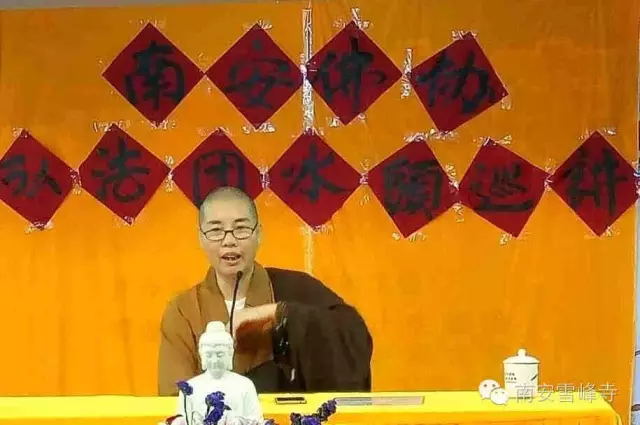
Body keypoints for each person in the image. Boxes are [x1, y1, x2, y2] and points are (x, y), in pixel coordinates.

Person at [158, 186, 372, 395]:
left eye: (241, 229)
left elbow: (353, 338)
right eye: (215, 231)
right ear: (201, 238)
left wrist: (277, 313)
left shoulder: (297, 288)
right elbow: (175, 398)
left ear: (258, 234)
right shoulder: (183, 310)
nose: (229, 241)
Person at [175, 321, 262, 424]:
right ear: (201, 356)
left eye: (220, 355)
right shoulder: (190, 388)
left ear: (230, 354)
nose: (214, 361)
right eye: (209, 355)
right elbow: (182, 420)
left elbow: (256, 421)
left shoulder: (245, 385)